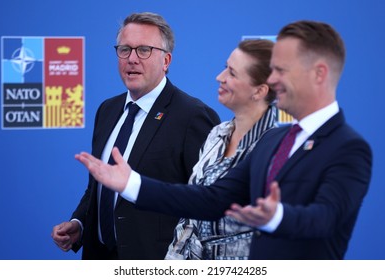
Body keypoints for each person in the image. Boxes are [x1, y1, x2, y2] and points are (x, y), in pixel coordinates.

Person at [75, 20, 373, 259]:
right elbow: (211, 198)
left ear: (318, 74)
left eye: (281, 70)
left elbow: (326, 219)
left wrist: (274, 215)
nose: (274, 80)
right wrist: (130, 184)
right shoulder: (276, 140)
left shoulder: (349, 147)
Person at [51, 12, 220, 260]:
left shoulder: (193, 116)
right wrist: (80, 223)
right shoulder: (107, 110)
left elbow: (206, 202)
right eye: (125, 49)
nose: (132, 59)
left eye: (143, 50)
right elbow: (99, 188)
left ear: (166, 60)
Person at [165, 39, 277, 260]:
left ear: (259, 91)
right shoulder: (217, 134)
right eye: (225, 67)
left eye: (232, 73)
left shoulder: (275, 148)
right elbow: (189, 216)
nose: (220, 77)